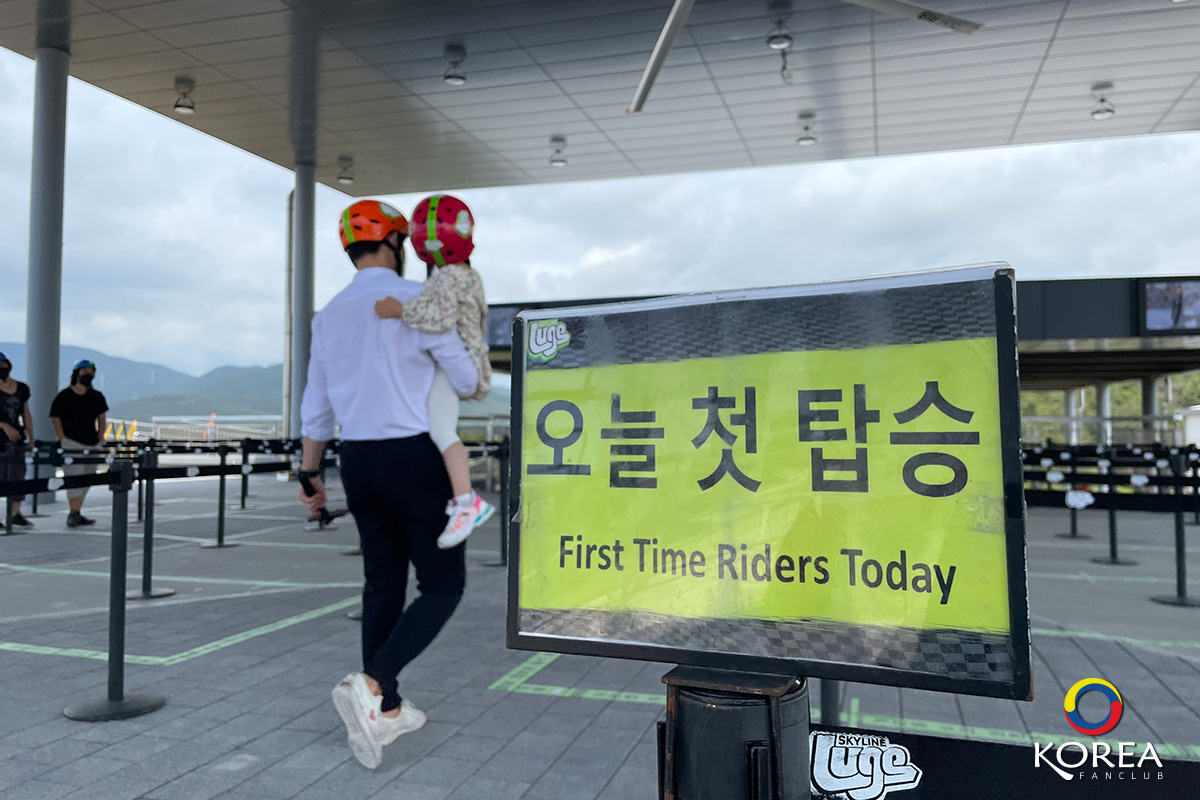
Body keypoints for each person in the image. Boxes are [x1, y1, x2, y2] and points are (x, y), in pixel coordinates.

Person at [299, 199, 480, 770]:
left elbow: (316, 407)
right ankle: (374, 684)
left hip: (358, 462)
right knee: (443, 584)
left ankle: (388, 709)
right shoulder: (411, 301)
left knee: (382, 584)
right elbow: (469, 376)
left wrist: (310, 475)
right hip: (413, 457)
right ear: (398, 243)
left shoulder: (327, 315)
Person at [374, 193, 494, 549]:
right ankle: (460, 498)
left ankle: (466, 502)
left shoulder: (448, 277)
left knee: (442, 431)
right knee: (437, 426)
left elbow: (438, 320)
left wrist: (400, 310)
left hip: (458, 362)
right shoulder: (468, 275)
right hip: (468, 361)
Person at [49, 359, 108, 527]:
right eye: (85, 372)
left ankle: (77, 511)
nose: (88, 375)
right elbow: (55, 417)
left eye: (91, 372)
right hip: (72, 442)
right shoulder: (65, 395)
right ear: (76, 374)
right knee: (74, 477)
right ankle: (73, 512)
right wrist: (63, 439)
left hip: (92, 442)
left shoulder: (96, 396)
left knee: (88, 477)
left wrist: (100, 436)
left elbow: (102, 416)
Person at [0, 352, 34, 527]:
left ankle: (15, 512)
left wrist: (31, 436)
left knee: (18, 476)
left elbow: (26, 413)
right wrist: (3, 425)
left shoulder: (21, 388)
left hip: (16, 440)